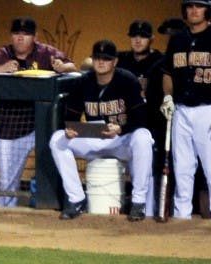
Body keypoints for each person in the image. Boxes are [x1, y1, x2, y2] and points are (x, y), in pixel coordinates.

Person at [0, 17, 77, 207]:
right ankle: (6, 225)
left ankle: (56, 211)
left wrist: (62, 67)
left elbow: (72, 66)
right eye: (16, 34)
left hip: (41, 130)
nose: (20, 38)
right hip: (10, 130)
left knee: (53, 173)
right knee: (7, 186)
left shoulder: (45, 53)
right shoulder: (2, 54)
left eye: (26, 34)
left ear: (34, 37)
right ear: (11, 36)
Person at [48, 40, 154, 221]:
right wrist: (70, 129)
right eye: (97, 58)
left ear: (115, 62)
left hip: (122, 141)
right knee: (57, 139)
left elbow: (141, 118)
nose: (101, 62)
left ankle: (138, 202)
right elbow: (71, 116)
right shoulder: (82, 82)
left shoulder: (127, 80)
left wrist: (121, 128)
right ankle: (77, 199)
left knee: (143, 137)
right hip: (94, 138)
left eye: (106, 59)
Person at [159, 0, 211, 222]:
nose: (194, 10)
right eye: (190, 6)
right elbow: (167, 73)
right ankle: (181, 216)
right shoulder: (177, 39)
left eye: (199, 6)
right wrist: (167, 97)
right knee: (182, 168)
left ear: (207, 10)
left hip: (210, 110)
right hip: (181, 110)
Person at [116, 20, 166, 217]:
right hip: (126, 122)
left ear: (151, 39)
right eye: (134, 36)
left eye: (143, 36)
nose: (138, 40)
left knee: (151, 167)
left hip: (153, 121)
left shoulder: (160, 60)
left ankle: (150, 210)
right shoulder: (121, 59)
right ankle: (134, 207)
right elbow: (88, 63)